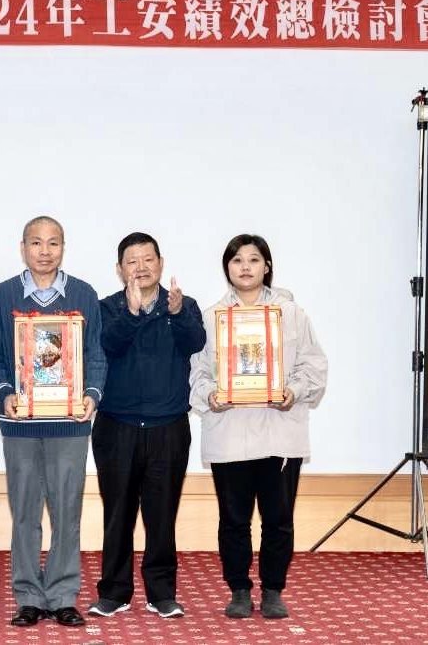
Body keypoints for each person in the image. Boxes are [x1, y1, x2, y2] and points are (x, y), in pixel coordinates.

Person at [0, 215, 106, 628]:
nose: (45, 251)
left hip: (70, 423)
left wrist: (91, 395)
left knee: (67, 511)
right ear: (23, 248)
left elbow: (96, 354)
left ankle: (64, 595)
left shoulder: (84, 295)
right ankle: (29, 596)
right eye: (36, 242)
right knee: (25, 512)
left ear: (63, 248)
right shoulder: (3, 296)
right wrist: (5, 392)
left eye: (53, 243)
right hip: (20, 424)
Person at [190, 234, 327, 620]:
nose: (245, 267)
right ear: (227, 268)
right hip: (230, 434)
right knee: (233, 520)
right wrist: (210, 395)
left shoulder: (292, 314)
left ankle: (272, 590)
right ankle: (238, 590)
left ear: (267, 266)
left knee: (278, 520)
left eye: (253, 259)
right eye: (237, 260)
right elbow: (197, 372)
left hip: (279, 433)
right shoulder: (212, 317)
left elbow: (313, 365)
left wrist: (293, 391)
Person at [88, 232, 206, 620]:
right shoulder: (107, 307)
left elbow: (195, 342)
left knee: (162, 515)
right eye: (132, 261)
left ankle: (162, 592)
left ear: (161, 263)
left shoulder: (182, 306)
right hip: (116, 426)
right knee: (117, 514)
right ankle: (114, 591)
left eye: (148, 259)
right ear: (119, 269)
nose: (141, 267)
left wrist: (178, 313)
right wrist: (132, 312)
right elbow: (107, 345)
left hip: (168, 426)